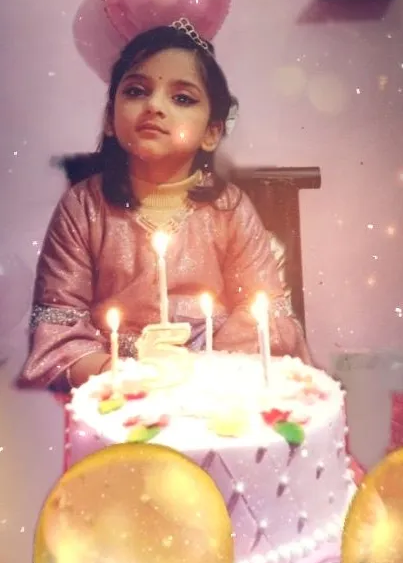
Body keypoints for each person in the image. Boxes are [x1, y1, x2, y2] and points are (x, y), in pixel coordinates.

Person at [20, 20, 311, 391]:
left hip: (213, 385)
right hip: (120, 391)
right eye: (137, 91)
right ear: (110, 118)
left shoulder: (230, 210)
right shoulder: (83, 209)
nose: (155, 106)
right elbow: (58, 329)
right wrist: (129, 371)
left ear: (212, 132)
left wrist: (196, 369)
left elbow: (267, 316)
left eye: (182, 98)